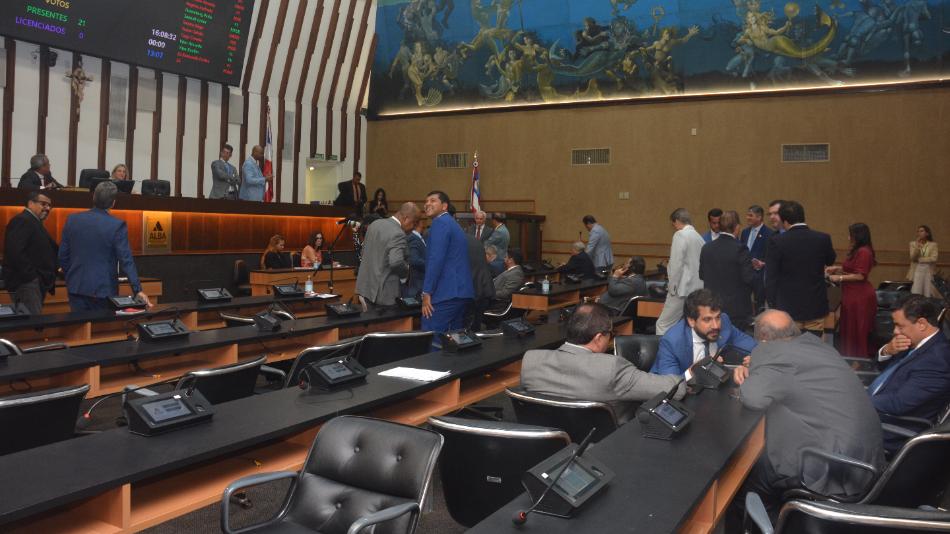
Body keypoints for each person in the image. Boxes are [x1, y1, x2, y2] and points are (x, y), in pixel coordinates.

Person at [732, 310, 884, 512]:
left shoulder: (771, 352)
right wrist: (760, 368)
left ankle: (774, 523)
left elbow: (754, 398)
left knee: (744, 483)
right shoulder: (816, 345)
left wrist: (750, 371)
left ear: (763, 338)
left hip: (834, 468)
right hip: (866, 460)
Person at [520, 302, 685, 424]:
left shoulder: (530, 361)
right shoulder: (611, 368)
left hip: (552, 448)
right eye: (610, 334)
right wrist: (689, 373)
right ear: (599, 338)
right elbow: (675, 389)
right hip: (606, 446)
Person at [871, 294, 950, 453]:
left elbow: (899, 404)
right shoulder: (917, 341)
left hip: (888, 427)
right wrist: (888, 350)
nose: (895, 331)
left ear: (921, 324)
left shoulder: (937, 361)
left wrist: (857, 400)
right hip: (876, 404)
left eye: (900, 326)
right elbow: (886, 368)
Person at [58, 182, 152, 311]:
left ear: (93, 198)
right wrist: (137, 290)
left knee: (78, 324)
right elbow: (126, 260)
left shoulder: (72, 220)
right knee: (102, 324)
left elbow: (62, 256)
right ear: (113, 203)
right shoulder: (116, 225)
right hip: (103, 290)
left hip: (76, 288)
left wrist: (72, 276)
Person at [765, 201, 836, 337]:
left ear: (785, 221)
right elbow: (830, 260)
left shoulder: (777, 241)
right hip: (815, 305)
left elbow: (771, 277)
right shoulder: (823, 238)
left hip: (787, 307)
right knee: (813, 345)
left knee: (790, 345)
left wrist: (772, 304)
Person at [652, 289, 757, 376]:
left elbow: (753, 346)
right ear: (691, 321)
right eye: (707, 319)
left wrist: (757, 357)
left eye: (717, 317)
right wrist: (694, 371)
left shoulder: (724, 322)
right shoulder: (672, 342)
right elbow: (670, 385)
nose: (716, 326)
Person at [421, 191, 474, 334]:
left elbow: (436, 259)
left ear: (444, 206)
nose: (427, 204)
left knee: (430, 337)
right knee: (454, 340)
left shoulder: (440, 223)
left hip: (446, 293)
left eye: (433, 201)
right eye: (426, 201)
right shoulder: (452, 223)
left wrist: (426, 292)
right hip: (460, 292)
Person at [699, 210, 758, 329]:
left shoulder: (706, 248)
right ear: (737, 227)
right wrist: (754, 269)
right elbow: (749, 278)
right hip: (736, 309)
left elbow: (702, 275)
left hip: (712, 306)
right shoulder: (740, 249)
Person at [2, 191, 58, 314]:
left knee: (31, 320)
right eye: (43, 204)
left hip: (34, 283)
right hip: (26, 283)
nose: (48, 208)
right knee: (31, 321)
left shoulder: (34, 222)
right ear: (30, 203)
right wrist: (32, 277)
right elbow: (15, 252)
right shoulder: (22, 220)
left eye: (49, 205)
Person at [826, 223, 877, 358]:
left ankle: (858, 360)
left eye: (851, 235)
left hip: (859, 296)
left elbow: (860, 276)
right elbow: (853, 269)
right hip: (851, 294)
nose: (849, 238)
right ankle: (849, 357)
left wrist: (839, 277)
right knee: (849, 329)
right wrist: (837, 268)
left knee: (857, 330)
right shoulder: (858, 250)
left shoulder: (864, 251)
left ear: (858, 235)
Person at [356, 203, 419, 307]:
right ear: (406, 218)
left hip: (365, 289)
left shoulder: (375, 224)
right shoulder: (398, 233)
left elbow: (364, 252)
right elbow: (396, 262)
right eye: (414, 223)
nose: (413, 228)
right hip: (384, 294)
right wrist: (406, 273)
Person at [655, 208, 705, 335]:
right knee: (690, 325)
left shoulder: (680, 235)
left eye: (673, 224)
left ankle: (664, 348)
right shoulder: (699, 237)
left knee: (663, 324)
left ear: (677, 221)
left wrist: (672, 288)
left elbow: (676, 264)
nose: (674, 227)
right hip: (697, 289)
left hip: (681, 289)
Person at [740, 204, 772, 311]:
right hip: (746, 274)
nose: (747, 218)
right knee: (744, 302)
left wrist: (763, 263)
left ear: (759, 217)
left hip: (760, 276)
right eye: (747, 215)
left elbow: (771, 256)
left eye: (750, 215)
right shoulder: (745, 232)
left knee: (760, 305)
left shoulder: (769, 234)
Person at [908, 225, 938, 297]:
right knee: (916, 291)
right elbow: (913, 258)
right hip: (917, 270)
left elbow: (934, 258)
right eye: (918, 231)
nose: (919, 233)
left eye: (921, 231)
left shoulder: (933, 245)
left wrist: (921, 260)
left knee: (927, 291)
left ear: (927, 233)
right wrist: (917, 247)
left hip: (928, 271)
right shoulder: (913, 244)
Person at [404, 218, 427, 298]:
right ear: (418, 223)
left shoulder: (418, 237)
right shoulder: (413, 238)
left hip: (418, 282)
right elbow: (414, 260)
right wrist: (430, 265)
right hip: (417, 283)